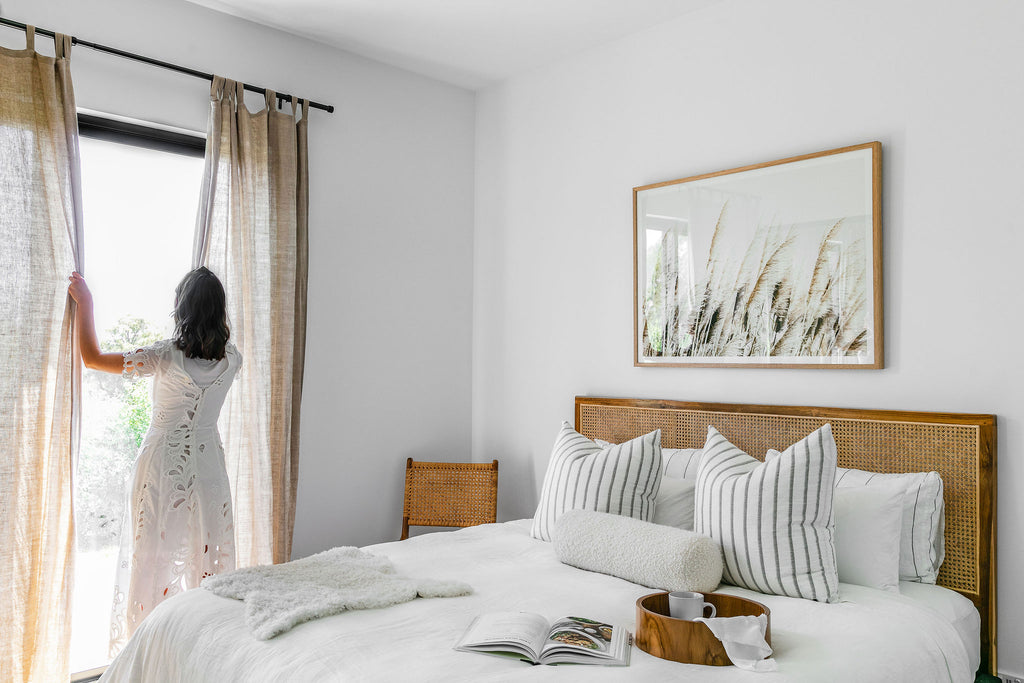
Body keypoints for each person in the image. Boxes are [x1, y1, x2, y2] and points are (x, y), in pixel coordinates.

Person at [68, 267, 241, 653]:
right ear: (219, 312)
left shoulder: (165, 357)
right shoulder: (233, 359)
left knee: (153, 554)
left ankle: (150, 647)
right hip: (210, 467)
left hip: (164, 466)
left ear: (182, 309)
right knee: (205, 551)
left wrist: (86, 303)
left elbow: (92, 359)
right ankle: (203, 647)